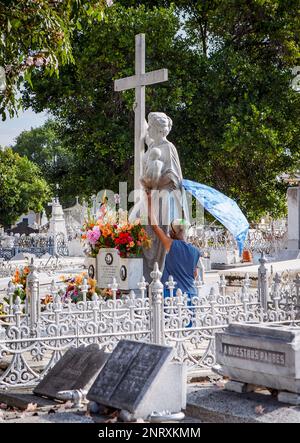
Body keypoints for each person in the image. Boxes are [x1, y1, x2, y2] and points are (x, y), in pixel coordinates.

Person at [147, 192, 201, 298]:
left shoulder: (171, 244)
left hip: (173, 295)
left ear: (173, 233)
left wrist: (149, 201)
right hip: (191, 294)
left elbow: (155, 227)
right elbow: (195, 274)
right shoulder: (196, 251)